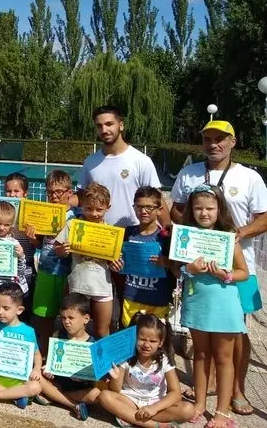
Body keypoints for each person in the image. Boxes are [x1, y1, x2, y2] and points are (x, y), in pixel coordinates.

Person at [170, 120, 267, 418]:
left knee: (239, 331)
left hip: (241, 266)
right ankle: (205, 391)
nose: (214, 144)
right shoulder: (188, 173)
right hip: (198, 270)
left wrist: (238, 234)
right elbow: (175, 209)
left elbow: (264, 217)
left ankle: (237, 390)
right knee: (203, 336)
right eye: (208, 139)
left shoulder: (250, 177)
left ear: (233, 141)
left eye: (220, 139)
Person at [175, 185, 248, 428]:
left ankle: (223, 411)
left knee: (223, 357)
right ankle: (199, 404)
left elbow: (243, 273)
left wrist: (226, 275)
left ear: (219, 209)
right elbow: (178, 269)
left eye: (209, 208)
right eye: (198, 208)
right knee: (201, 354)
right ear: (191, 210)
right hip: (197, 303)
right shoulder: (186, 236)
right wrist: (189, 269)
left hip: (223, 305)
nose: (204, 213)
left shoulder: (229, 237)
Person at [98, 313, 195, 428]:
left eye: (152, 341)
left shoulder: (164, 360)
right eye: (142, 339)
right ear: (135, 337)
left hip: (155, 403)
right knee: (104, 396)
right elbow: (115, 390)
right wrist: (115, 378)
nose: (146, 345)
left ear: (161, 342)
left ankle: (130, 418)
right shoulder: (126, 357)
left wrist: (154, 408)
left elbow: (176, 394)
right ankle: (153, 425)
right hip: (130, 401)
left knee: (188, 410)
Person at [78, 105, 169, 229]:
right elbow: (81, 197)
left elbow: (157, 200)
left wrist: (168, 232)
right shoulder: (90, 162)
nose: (104, 130)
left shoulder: (141, 161)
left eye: (109, 124)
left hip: (131, 235)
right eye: (99, 126)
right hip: (98, 235)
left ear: (121, 125)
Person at [54, 182, 119, 338]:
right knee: (73, 329)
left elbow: (115, 263)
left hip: (102, 285)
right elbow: (57, 249)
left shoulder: (111, 232)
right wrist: (63, 250)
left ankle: (103, 362)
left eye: (99, 210)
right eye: (89, 209)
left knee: (102, 330)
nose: (94, 214)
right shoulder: (73, 225)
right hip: (78, 284)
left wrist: (116, 264)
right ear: (81, 205)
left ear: (107, 208)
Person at [28, 169, 79, 351]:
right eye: (50, 192)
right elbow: (38, 244)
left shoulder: (76, 218)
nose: (54, 196)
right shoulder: (44, 213)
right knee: (44, 317)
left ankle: (66, 354)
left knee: (69, 317)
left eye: (59, 192)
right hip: (46, 271)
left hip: (67, 274)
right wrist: (32, 236)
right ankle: (44, 352)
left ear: (69, 193)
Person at [113, 187, 173, 327]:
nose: (143, 211)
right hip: (131, 298)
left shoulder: (166, 238)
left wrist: (168, 263)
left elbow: (177, 268)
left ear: (159, 210)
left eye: (149, 207)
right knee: (130, 341)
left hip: (157, 300)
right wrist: (114, 263)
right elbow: (116, 261)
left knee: (153, 342)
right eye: (139, 207)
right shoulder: (127, 233)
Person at [37, 293, 100, 421]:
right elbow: (51, 363)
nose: (67, 322)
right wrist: (48, 369)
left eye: (71, 318)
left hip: (79, 390)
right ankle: (73, 405)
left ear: (86, 319)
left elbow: (95, 381)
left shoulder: (93, 345)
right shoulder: (57, 335)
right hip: (57, 383)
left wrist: (84, 377)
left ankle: (55, 397)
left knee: (96, 394)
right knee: (36, 376)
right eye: (63, 318)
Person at [5, 173, 36, 306]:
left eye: (16, 191)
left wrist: (32, 238)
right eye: (8, 191)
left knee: (23, 303)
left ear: (25, 194)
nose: (12, 195)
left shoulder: (33, 214)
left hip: (26, 266)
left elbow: (38, 244)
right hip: (5, 264)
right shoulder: (0, 212)